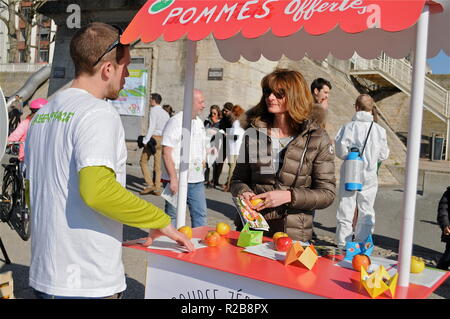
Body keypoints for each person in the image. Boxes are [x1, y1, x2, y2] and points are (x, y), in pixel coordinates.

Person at [24, 22, 194, 299]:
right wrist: (159, 219)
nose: (126, 74)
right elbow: (98, 192)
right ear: (107, 69)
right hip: (87, 277)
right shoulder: (97, 113)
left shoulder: (44, 113)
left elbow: (34, 188)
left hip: (46, 272)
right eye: (125, 65)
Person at [230, 69, 336, 242]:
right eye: (267, 92)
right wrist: (244, 192)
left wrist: (288, 196)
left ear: (295, 96)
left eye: (279, 94)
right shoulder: (254, 132)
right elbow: (237, 180)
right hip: (251, 229)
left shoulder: (317, 138)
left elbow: (327, 193)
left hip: (293, 234)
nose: (270, 97)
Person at [334, 94, 389, 249]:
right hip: (370, 173)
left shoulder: (348, 127)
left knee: (347, 205)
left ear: (356, 107)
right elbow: (383, 155)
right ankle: (362, 242)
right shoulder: (380, 130)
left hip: (351, 170)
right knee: (366, 207)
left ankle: (343, 243)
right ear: (371, 109)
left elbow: (340, 151)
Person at [161, 89, 208, 227]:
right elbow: (166, 151)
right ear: (190, 102)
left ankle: (198, 244)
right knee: (172, 215)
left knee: (200, 214)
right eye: (201, 102)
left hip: (196, 179)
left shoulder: (199, 122)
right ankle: (171, 242)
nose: (204, 105)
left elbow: (201, 145)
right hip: (177, 178)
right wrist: (173, 178)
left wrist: (204, 159)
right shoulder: (176, 121)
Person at [140, 93, 170, 195]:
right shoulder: (165, 113)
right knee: (158, 165)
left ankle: (150, 185)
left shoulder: (153, 110)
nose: (149, 101)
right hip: (162, 139)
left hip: (153, 139)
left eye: (150, 99)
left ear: (154, 100)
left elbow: (152, 126)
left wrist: (145, 140)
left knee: (143, 161)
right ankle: (157, 188)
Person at [7, 98, 47, 162]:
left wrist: (8, 143)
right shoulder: (48, 124)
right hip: (37, 160)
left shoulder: (25, 123)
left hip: (27, 159)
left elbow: (11, 139)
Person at [224, 104, 245, 192]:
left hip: (235, 149)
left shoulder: (236, 123)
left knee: (232, 168)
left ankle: (229, 185)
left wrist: (226, 135)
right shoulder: (240, 123)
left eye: (232, 112)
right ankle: (228, 184)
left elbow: (235, 137)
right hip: (237, 148)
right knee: (233, 167)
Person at [212, 102, 233, 189]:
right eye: (223, 110)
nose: (224, 112)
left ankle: (228, 183)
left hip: (231, 145)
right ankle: (215, 181)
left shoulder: (233, 120)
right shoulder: (223, 119)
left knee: (231, 164)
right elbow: (219, 127)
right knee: (219, 163)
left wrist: (228, 135)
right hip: (223, 143)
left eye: (226, 111)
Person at [204, 105, 222, 188]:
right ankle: (206, 180)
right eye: (211, 113)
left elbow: (223, 132)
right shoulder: (207, 121)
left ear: (218, 113)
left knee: (215, 163)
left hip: (216, 144)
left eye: (214, 113)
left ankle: (214, 182)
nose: (213, 115)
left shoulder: (221, 122)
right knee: (207, 163)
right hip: (207, 144)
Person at [437, 186, 450, 270]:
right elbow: (443, 211)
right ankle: (438, 274)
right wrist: (445, 225)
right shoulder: (448, 194)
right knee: (448, 256)